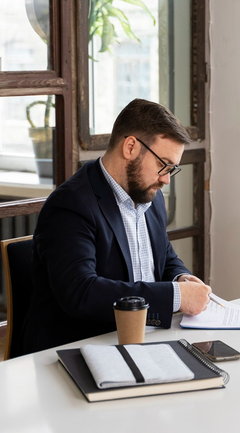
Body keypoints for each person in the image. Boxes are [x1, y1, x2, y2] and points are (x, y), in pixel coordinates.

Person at [22, 99, 212, 354]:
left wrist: (181, 278)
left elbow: (165, 257)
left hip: (143, 343)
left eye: (172, 169)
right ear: (131, 146)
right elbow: (82, 292)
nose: (166, 179)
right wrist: (177, 296)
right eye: (162, 165)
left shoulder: (150, 195)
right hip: (78, 352)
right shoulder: (70, 205)